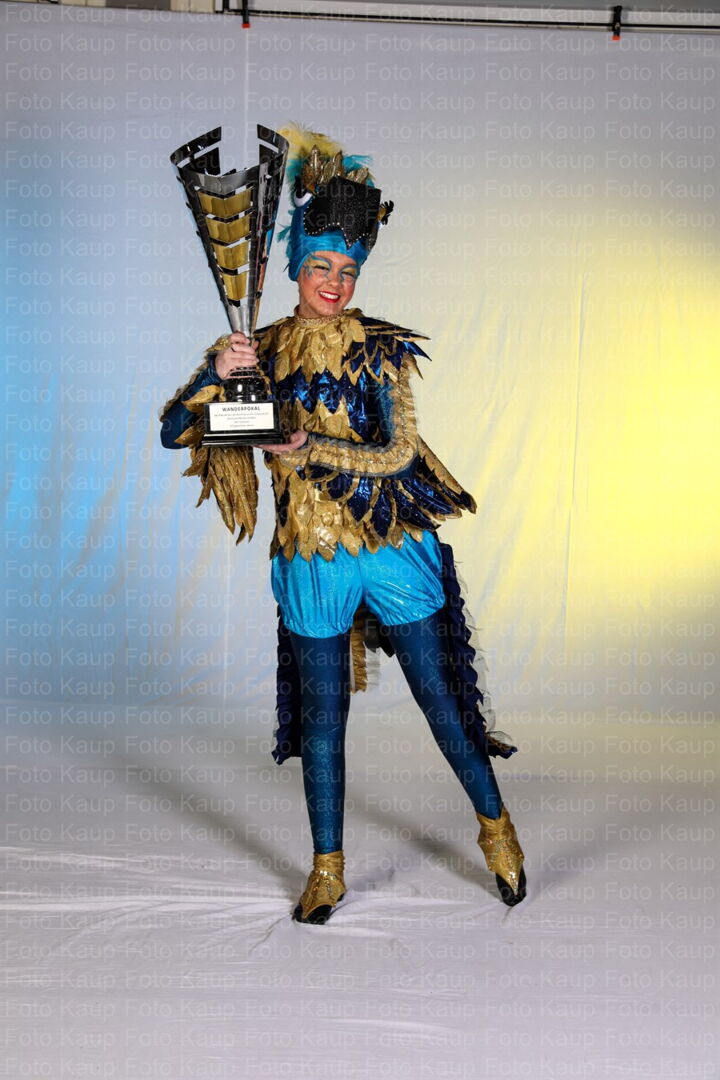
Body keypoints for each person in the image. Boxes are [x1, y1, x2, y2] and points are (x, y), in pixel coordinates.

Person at [160, 127, 526, 923]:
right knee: (324, 721)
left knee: (441, 702)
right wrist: (212, 375)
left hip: (391, 546)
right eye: (321, 266)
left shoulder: (380, 350)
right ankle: (327, 867)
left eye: (347, 270)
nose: (333, 282)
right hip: (310, 559)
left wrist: (307, 446)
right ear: (296, 267)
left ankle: (496, 826)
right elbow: (174, 432)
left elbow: (397, 453)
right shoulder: (255, 351)